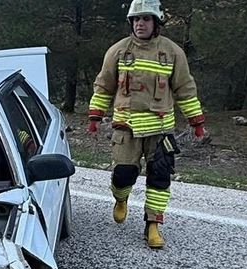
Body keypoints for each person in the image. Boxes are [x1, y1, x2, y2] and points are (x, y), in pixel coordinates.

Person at [87, 0, 206, 249]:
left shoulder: (173, 52)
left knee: (160, 177)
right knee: (124, 174)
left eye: (146, 19)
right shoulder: (118, 51)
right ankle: (121, 199)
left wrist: (196, 121)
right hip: (126, 126)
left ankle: (153, 225)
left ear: (156, 22)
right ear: (131, 22)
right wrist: (95, 116)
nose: (140, 24)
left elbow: (185, 88)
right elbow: (104, 86)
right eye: (136, 19)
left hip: (160, 127)